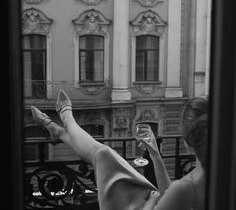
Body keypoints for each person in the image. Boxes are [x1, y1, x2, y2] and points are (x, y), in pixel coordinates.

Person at [31, 90, 208, 210]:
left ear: (187, 141)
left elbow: (171, 195)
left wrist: (153, 200)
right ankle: (60, 130)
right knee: (105, 157)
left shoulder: (188, 186)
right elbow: (171, 196)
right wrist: (155, 155)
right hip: (152, 199)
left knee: (104, 155)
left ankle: (66, 122)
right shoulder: (216, 176)